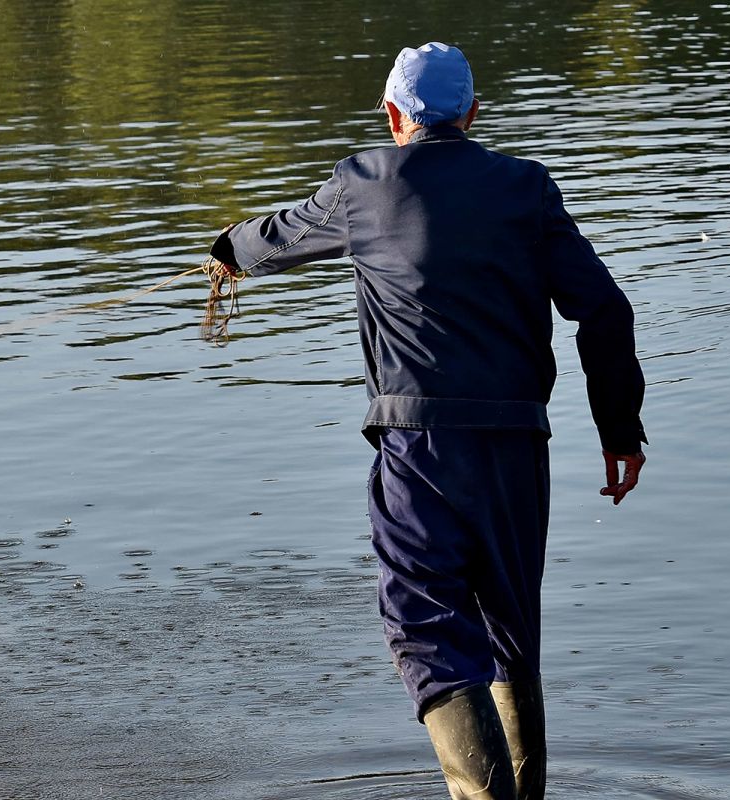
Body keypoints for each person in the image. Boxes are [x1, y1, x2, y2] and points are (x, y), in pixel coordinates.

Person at [207, 42, 647, 800]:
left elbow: (276, 236)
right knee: (512, 631)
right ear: (473, 115)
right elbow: (603, 308)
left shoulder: (363, 183)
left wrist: (226, 253)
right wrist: (619, 430)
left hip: (419, 446)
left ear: (392, 114)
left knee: (427, 626)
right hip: (517, 446)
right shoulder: (526, 186)